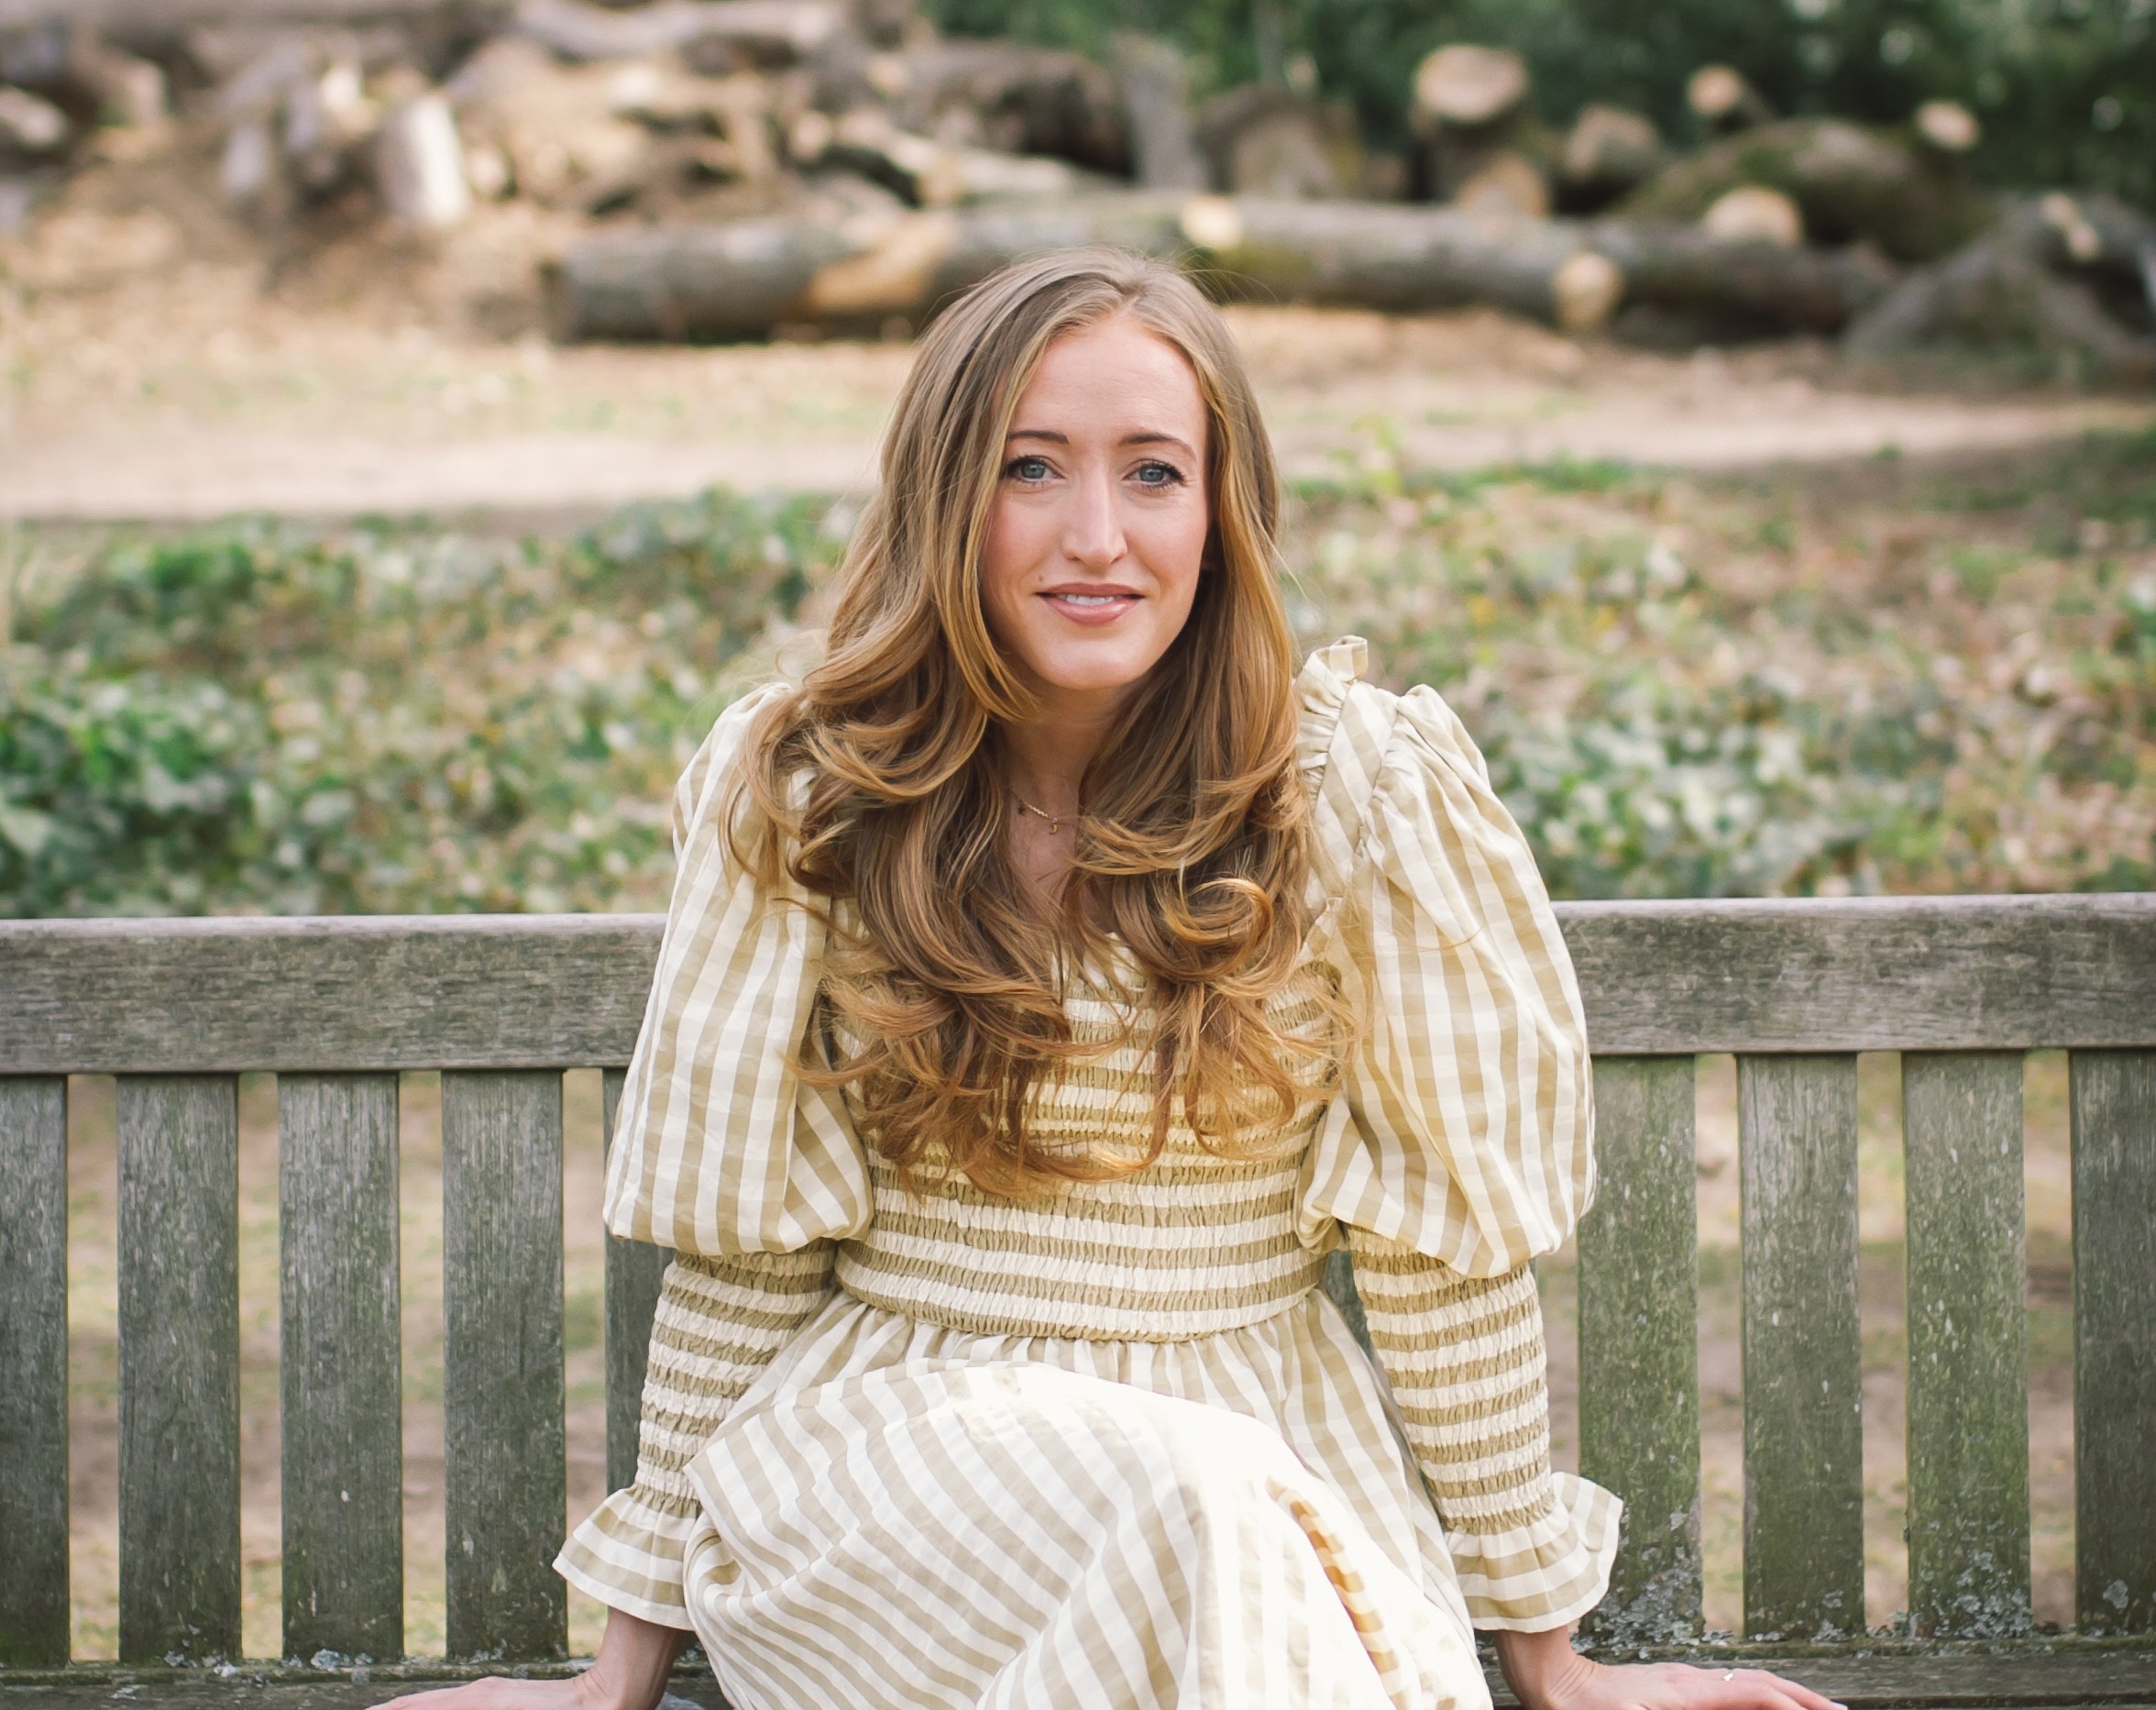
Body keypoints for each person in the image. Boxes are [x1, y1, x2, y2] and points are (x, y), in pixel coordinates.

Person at [402, 250, 1845, 1710]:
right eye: (1034, 468)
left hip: (1259, 1456)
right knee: (1199, 1519)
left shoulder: (1348, 796)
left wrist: (1555, 1663)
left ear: (1220, 515)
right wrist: (616, 1678)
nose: (1097, 534)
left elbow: (1434, 1265)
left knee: (1229, 1555)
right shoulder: (819, 793)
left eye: (1154, 473)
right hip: (891, 1473)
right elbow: (742, 1255)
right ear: (946, 497)